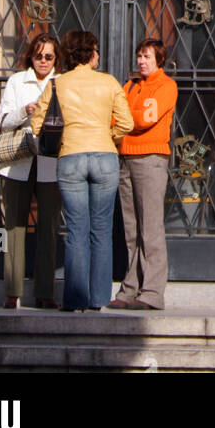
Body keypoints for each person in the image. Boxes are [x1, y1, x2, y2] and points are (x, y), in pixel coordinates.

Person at [31, 30, 133, 311]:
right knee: (101, 230)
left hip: (71, 155)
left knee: (76, 230)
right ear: (90, 53)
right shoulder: (108, 82)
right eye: (96, 49)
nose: (98, 54)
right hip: (104, 156)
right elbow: (127, 123)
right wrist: (106, 135)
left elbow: (37, 125)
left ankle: (75, 299)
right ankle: (99, 298)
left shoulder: (57, 84)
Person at [110, 38, 178, 311]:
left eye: (147, 56)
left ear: (159, 59)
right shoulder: (130, 85)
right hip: (126, 156)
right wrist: (123, 118)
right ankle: (130, 289)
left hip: (150, 158)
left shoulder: (166, 85)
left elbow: (143, 119)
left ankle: (152, 292)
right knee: (131, 229)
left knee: (150, 228)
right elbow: (114, 116)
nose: (141, 61)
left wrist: (123, 118)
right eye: (139, 55)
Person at [0, 33, 62, 309]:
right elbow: (2, 121)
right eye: (38, 56)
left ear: (56, 58)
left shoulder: (62, 83)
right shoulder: (16, 81)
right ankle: (12, 291)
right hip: (17, 162)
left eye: (48, 56)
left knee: (48, 227)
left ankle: (45, 292)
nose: (43, 61)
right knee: (13, 227)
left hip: (51, 161)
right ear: (30, 57)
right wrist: (26, 109)